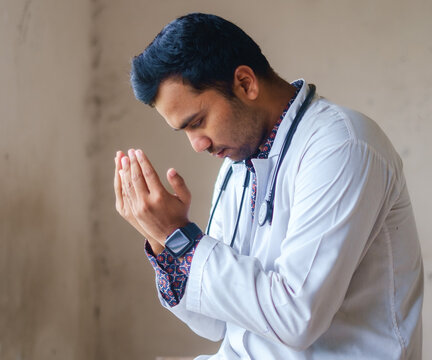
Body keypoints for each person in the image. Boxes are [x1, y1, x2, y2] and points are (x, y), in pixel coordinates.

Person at [113, 13, 423, 359]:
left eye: (197, 122)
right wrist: (163, 242)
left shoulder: (341, 145)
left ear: (245, 83)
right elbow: (215, 321)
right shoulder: (239, 163)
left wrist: (181, 237)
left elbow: (296, 318)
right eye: (184, 131)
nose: (197, 144)